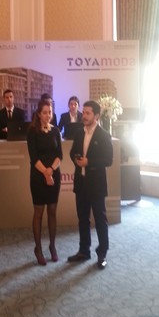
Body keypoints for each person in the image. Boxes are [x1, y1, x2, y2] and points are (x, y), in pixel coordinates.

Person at [68, 100, 113, 270]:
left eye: (88, 113)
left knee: (100, 220)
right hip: (81, 183)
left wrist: (89, 162)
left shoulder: (104, 135)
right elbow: (72, 152)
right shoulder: (79, 133)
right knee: (83, 219)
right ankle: (84, 251)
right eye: (84, 112)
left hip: (96, 184)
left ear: (96, 116)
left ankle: (102, 254)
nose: (84, 116)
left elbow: (108, 160)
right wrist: (76, 159)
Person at [27, 99, 63, 266]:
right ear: (39, 114)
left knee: (53, 211)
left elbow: (60, 155)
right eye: (45, 112)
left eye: (50, 112)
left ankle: (52, 246)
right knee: (39, 212)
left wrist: (51, 170)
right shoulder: (32, 131)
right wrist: (46, 172)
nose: (48, 115)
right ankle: (38, 248)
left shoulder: (55, 131)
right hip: (38, 175)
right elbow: (34, 158)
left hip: (54, 174)